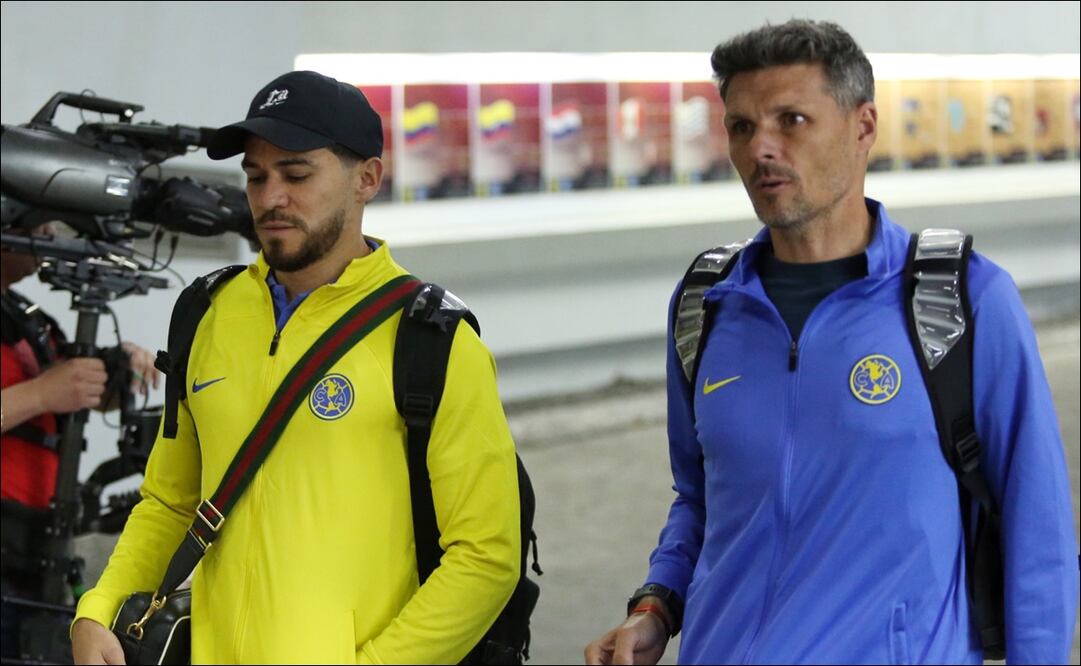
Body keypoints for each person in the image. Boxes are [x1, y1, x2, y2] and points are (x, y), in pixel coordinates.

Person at [585, 19, 1078, 665]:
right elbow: (699, 497)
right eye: (740, 127)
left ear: (862, 127)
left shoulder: (960, 301)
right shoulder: (706, 305)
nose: (760, 148)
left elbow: (1035, 521)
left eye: (790, 120)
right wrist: (656, 605)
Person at [70, 70, 521, 664]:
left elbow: (485, 556)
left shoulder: (430, 338)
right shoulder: (207, 314)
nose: (270, 197)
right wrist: (98, 608)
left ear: (367, 178)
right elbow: (171, 501)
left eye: (296, 174)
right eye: (256, 177)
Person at [1, 223, 160, 660]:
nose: (48, 236)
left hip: (39, 554)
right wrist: (42, 392)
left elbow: (69, 394)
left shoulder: (28, 317)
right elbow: (46, 393)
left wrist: (117, 374)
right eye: (35, 223)